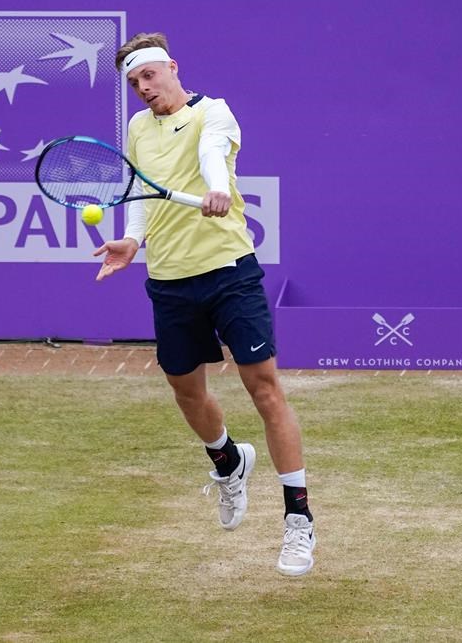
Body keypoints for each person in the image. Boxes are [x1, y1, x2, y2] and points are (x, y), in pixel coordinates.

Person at [94, 33, 315, 576]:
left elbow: (212, 156)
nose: (144, 89)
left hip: (228, 271)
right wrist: (131, 241)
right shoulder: (137, 129)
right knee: (186, 392)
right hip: (169, 280)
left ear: (171, 67)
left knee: (264, 389)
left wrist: (217, 189)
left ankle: (298, 521)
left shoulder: (213, 113)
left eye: (150, 76)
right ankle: (229, 462)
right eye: (134, 83)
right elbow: (142, 194)